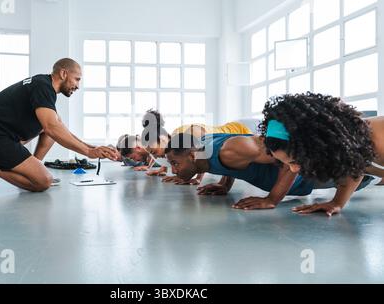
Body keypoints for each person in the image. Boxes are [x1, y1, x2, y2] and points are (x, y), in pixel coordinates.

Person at [0, 58, 118, 192]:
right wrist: (88, 153)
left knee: (53, 124)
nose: (78, 85)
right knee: (43, 182)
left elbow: (60, 128)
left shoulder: (44, 86)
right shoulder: (42, 87)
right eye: (77, 79)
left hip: (1, 136)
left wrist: (93, 148)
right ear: (64, 74)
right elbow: (52, 128)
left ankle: (33, 171)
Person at [164, 133, 378, 207]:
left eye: (175, 163)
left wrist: (272, 199)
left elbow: (291, 156)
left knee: (365, 173)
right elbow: (227, 160)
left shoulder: (232, 149)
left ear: (191, 156)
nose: (174, 171)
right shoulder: (203, 147)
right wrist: (224, 184)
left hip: (307, 176)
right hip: (300, 178)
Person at [260, 92, 383, 216]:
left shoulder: (380, 137)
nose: (293, 169)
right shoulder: (352, 142)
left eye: (294, 161)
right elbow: (355, 168)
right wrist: (337, 203)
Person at [117, 110, 252, 184]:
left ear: (163, 139)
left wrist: (197, 178)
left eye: (154, 152)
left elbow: (203, 154)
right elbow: (170, 155)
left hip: (245, 129)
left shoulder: (189, 134)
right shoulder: (173, 144)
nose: (155, 156)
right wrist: (163, 169)